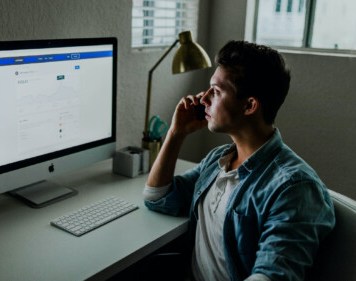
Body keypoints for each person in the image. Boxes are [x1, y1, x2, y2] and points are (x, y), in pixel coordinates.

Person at [142, 40, 335, 281]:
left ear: (249, 105)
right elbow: (157, 198)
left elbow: (272, 275)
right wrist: (175, 133)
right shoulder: (219, 160)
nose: (204, 99)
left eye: (217, 91)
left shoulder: (294, 187)